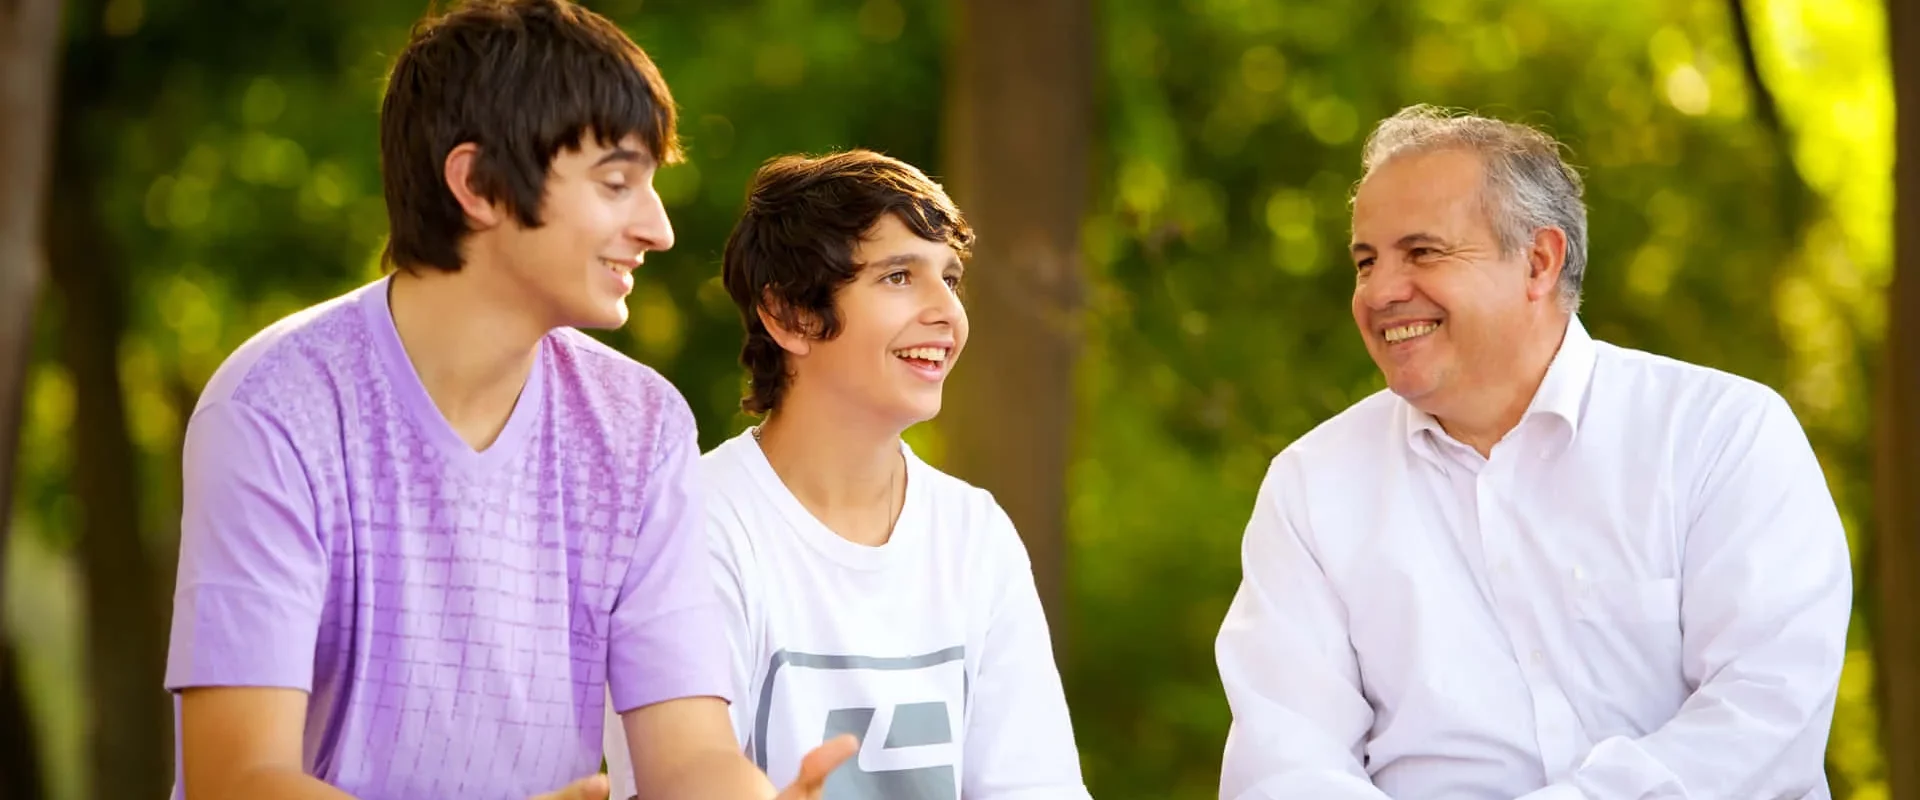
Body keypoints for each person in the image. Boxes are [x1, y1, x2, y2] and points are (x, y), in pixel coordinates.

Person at [163, 1, 852, 797]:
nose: (658, 228)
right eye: (616, 183)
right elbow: (237, 777)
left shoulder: (641, 425)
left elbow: (689, 757)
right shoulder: (277, 407)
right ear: (479, 184)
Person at [1213, 104, 1853, 799]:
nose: (1380, 292)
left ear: (1539, 262)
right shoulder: (1312, 486)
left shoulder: (1719, 435)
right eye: (1367, 262)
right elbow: (1286, 765)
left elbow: (1764, 720)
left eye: (1422, 252)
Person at [601, 149, 1092, 800]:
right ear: (790, 315)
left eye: (950, 278)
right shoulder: (696, 526)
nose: (946, 311)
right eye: (899, 277)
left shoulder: (976, 535)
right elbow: (680, 774)